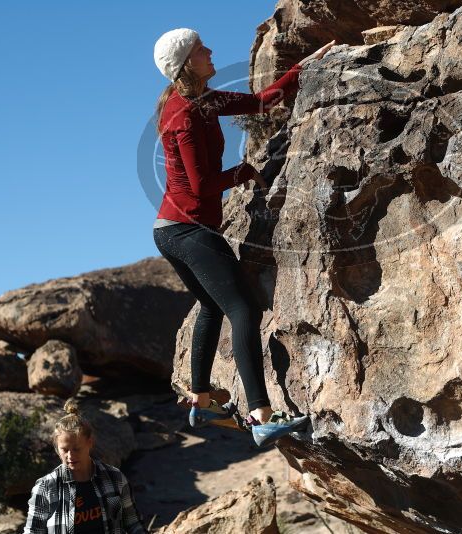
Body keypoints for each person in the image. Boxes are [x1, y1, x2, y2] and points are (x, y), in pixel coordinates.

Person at [151, 28, 336, 448]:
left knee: (212, 307)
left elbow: (259, 101)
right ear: (186, 64)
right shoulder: (184, 112)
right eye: (201, 49)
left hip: (171, 230)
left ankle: (200, 399)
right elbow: (200, 186)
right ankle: (260, 417)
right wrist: (243, 172)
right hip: (188, 229)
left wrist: (303, 66)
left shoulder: (203, 99)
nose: (211, 50)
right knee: (243, 308)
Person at [23, 401, 146, 534]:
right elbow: (33, 531)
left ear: (90, 443)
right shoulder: (46, 487)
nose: (70, 455)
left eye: (77, 449)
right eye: (64, 449)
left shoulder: (115, 478)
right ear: (57, 449)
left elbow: (133, 523)